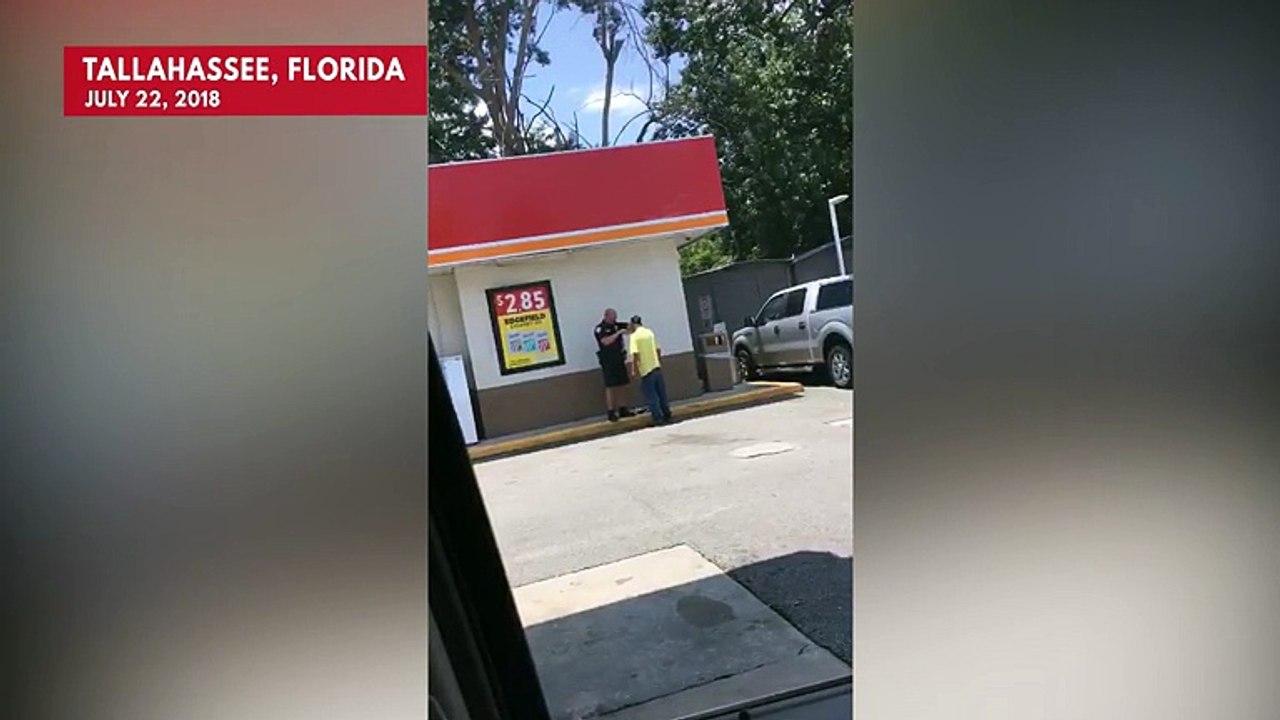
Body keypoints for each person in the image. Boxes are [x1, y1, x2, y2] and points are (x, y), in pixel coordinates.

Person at [626, 315, 673, 426]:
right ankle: (667, 415)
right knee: (662, 394)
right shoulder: (649, 332)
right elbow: (658, 349)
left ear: (633, 324)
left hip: (646, 370)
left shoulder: (634, 336)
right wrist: (658, 362)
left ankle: (658, 418)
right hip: (656, 367)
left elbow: (635, 354)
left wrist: (634, 370)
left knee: (651, 396)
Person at [594, 308, 634, 422]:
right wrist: (619, 333)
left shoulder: (616, 325)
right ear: (606, 316)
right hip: (608, 361)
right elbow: (605, 341)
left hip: (619, 359)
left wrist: (631, 325)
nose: (614, 319)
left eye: (615, 317)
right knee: (610, 386)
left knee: (622, 383)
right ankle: (611, 411)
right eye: (613, 317)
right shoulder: (600, 328)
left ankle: (622, 408)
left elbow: (631, 328)